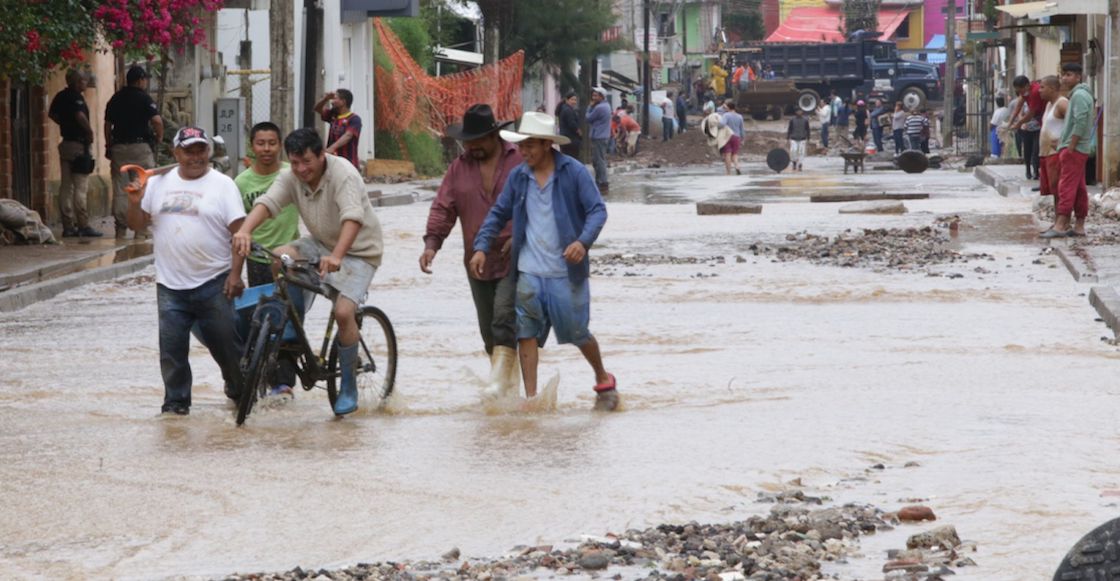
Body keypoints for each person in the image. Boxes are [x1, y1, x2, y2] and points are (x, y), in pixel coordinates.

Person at [468, 112, 617, 411]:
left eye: (530, 146)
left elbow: (597, 211)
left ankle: (603, 378)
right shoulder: (519, 177)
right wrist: (481, 247)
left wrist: (582, 242)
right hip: (529, 270)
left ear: (547, 144)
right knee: (526, 333)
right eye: (521, 146)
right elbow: (498, 214)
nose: (523, 152)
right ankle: (532, 399)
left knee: (577, 333)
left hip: (565, 272)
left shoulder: (574, 173)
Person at [233, 128, 384, 416]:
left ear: (321, 155)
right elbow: (268, 203)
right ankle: (292, 329)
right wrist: (245, 231)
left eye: (307, 162)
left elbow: (352, 218)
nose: (301, 169)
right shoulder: (291, 176)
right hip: (320, 243)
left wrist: (337, 256)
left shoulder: (343, 174)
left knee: (343, 313)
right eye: (295, 162)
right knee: (280, 258)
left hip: (360, 251)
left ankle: (348, 385)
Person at [125, 126, 246, 415]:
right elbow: (137, 225)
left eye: (201, 150)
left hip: (215, 282)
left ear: (209, 152)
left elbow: (240, 234)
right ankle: (175, 407)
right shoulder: (157, 183)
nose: (196, 157)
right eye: (189, 151)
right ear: (176, 153)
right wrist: (134, 203)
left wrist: (235, 275)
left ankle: (239, 390)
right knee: (172, 353)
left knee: (227, 348)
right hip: (170, 286)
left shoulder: (223, 185)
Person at [420, 104, 523, 399]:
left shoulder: (519, 161)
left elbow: (539, 202)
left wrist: (522, 235)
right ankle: (507, 391)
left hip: (515, 256)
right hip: (476, 260)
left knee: (503, 317)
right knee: (489, 331)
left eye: (477, 141)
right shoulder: (458, 168)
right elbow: (443, 208)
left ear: (494, 136)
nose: (471, 147)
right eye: (468, 142)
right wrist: (432, 244)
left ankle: (500, 387)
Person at [234, 121, 301, 398]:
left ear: (280, 145)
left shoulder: (293, 174)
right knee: (260, 322)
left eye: (272, 143)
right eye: (261, 143)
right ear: (252, 146)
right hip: (257, 260)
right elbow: (237, 227)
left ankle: (284, 382)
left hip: (289, 259)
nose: (266, 149)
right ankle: (258, 375)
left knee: (288, 319)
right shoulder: (241, 183)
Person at [107, 64, 163, 239]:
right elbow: (157, 121)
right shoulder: (144, 99)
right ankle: (141, 229)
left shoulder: (115, 98)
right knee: (144, 187)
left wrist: (108, 145)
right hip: (140, 149)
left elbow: (107, 124)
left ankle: (120, 228)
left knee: (120, 189)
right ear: (140, 81)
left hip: (119, 148)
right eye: (145, 80)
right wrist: (159, 137)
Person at [1045, 63, 1096, 239]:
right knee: (1079, 188)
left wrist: (1071, 146)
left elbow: (1080, 122)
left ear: (1078, 77)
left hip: (1074, 149)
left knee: (1066, 186)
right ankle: (1079, 225)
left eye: (1069, 75)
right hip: (1075, 148)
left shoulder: (1079, 96)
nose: (1065, 78)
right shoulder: (1079, 95)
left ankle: (1060, 225)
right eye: (1063, 75)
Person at [49, 69, 101, 238]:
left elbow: (52, 114)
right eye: (83, 80)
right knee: (80, 187)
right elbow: (79, 115)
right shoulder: (76, 98)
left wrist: (65, 124)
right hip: (79, 145)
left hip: (66, 143)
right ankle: (83, 224)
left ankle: (68, 225)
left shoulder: (60, 96)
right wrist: (89, 131)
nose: (85, 83)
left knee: (66, 186)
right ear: (77, 82)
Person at [314, 88, 363, 170]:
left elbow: (348, 135)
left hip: (348, 163)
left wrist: (331, 148)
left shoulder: (354, 119)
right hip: (332, 161)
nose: (332, 102)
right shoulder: (333, 115)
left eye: (335, 99)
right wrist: (325, 99)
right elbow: (317, 109)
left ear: (343, 102)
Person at [1036, 77, 1067, 203]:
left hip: (1056, 152)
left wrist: (1064, 142)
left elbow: (1075, 123)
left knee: (1058, 188)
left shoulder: (1062, 103)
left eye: (1042, 87)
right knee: (1053, 190)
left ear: (1052, 88)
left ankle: (1063, 214)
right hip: (1046, 153)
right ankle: (1058, 214)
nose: (1039, 90)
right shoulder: (1049, 104)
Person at [1009, 75, 1043, 180]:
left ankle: (1036, 172)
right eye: (1018, 91)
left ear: (1027, 86)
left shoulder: (1035, 92)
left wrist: (1018, 124)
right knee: (1027, 149)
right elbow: (1018, 106)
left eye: (1021, 90)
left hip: (1040, 121)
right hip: (1029, 125)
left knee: (1036, 150)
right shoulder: (1025, 92)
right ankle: (1028, 170)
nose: (1020, 93)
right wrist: (1010, 122)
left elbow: (1030, 114)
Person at [586, 87, 612, 194]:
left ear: (601, 96)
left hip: (599, 137)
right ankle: (599, 182)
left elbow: (588, 118)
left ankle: (603, 183)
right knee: (597, 161)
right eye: (593, 95)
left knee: (599, 161)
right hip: (602, 136)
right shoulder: (606, 106)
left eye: (596, 96)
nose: (593, 98)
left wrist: (589, 107)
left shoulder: (599, 108)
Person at [717, 101, 743, 175]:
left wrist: (716, 125)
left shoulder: (726, 115)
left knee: (727, 154)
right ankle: (737, 166)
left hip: (727, 136)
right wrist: (743, 138)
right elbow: (742, 129)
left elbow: (722, 124)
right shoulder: (740, 116)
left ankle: (728, 172)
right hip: (737, 137)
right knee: (735, 154)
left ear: (728, 107)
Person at [556, 91, 582, 158]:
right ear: (567, 100)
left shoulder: (564, 108)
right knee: (571, 159)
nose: (574, 102)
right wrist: (578, 131)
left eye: (575, 100)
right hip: (570, 140)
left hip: (565, 139)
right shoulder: (568, 110)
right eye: (572, 99)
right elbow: (572, 124)